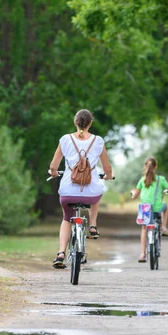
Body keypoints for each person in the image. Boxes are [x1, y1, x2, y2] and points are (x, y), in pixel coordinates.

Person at [49, 109, 113, 269]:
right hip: (90, 193)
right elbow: (107, 167)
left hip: (68, 192)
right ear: (90, 123)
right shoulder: (98, 141)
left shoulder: (65, 139)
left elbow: (53, 165)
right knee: (97, 194)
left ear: (75, 122)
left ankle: (61, 253)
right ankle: (92, 225)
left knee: (66, 218)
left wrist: (54, 173)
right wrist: (108, 176)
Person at [130, 157, 168, 263]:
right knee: (165, 207)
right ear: (156, 167)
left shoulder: (142, 180)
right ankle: (163, 227)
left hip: (145, 209)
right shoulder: (160, 179)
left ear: (145, 167)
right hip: (157, 207)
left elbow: (134, 196)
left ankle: (143, 254)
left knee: (144, 228)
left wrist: (132, 193)